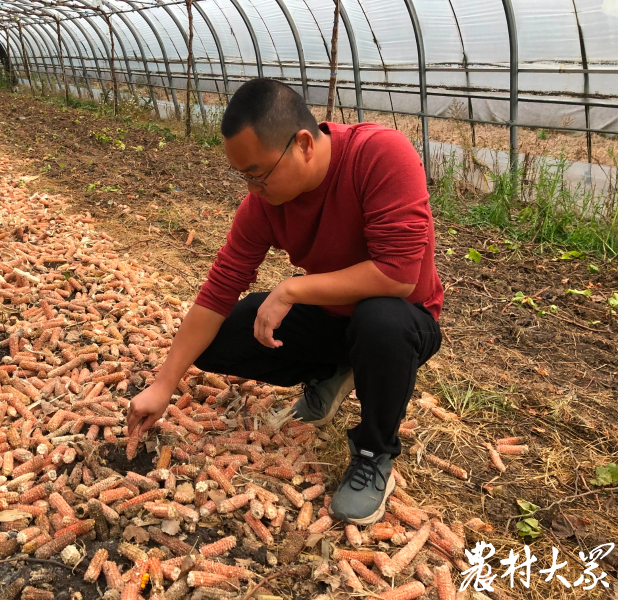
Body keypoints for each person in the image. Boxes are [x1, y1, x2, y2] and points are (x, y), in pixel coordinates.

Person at [126, 78, 443, 525]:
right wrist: (164, 382)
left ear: (304, 144)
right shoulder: (264, 204)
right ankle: (332, 372)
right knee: (218, 340)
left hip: (405, 318)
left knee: (380, 321)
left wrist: (291, 288)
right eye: (242, 176)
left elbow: (398, 275)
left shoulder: (379, 155)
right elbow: (218, 289)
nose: (251, 188)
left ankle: (374, 455)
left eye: (257, 173)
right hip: (334, 319)